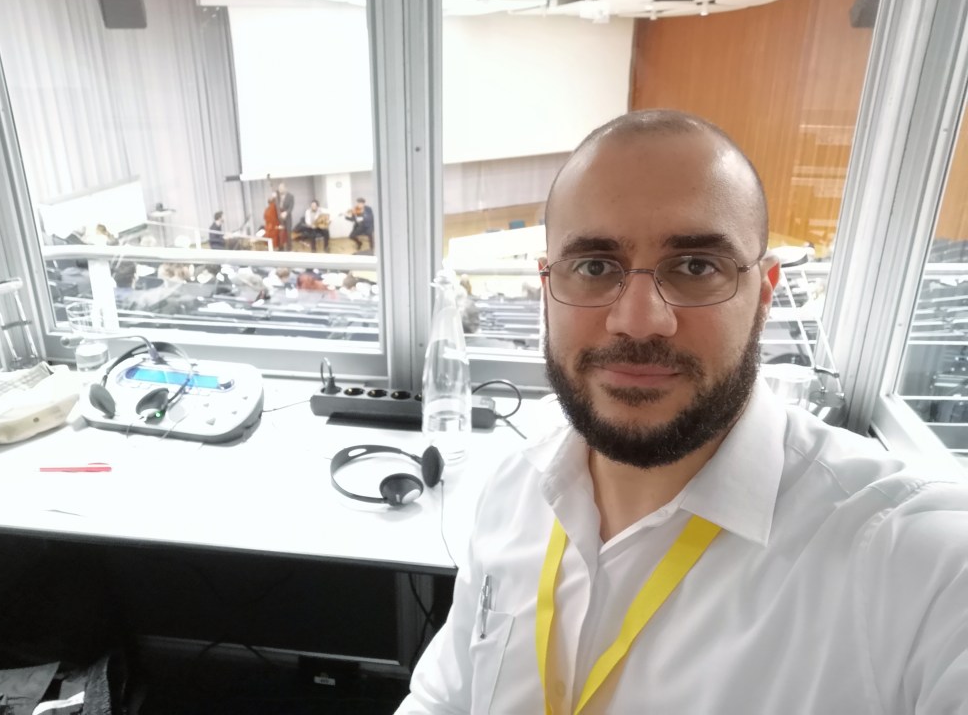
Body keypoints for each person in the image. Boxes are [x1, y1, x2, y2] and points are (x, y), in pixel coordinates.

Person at [397, 110, 968, 714]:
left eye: (696, 266)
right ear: (548, 287)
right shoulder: (511, 491)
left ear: (764, 294)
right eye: (594, 267)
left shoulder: (916, 564)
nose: (638, 320)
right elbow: (442, 699)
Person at [275, 182, 295, 251]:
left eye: (281, 188)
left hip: (287, 218)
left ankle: (289, 249)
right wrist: (279, 215)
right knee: (280, 233)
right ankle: (281, 249)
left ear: (285, 188)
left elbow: (291, 207)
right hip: (279, 218)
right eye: (279, 188)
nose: (280, 189)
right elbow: (275, 207)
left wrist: (286, 213)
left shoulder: (290, 196)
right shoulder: (277, 197)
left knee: (288, 234)